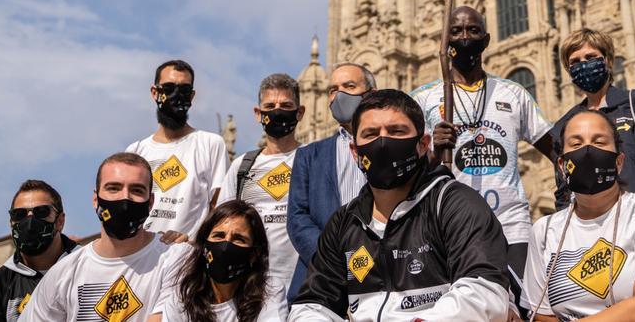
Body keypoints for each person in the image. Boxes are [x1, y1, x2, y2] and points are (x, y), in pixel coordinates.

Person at [289, 89, 512, 321]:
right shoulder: (344, 223)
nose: (383, 142)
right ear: (355, 152)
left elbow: (484, 292)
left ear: (423, 144)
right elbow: (312, 304)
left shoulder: (454, 203)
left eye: (396, 131)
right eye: (371, 133)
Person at [410, 5, 553, 292]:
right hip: (449, 229)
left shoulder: (513, 93)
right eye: (457, 31)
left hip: (511, 227)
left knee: (521, 306)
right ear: (445, 41)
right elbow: (407, 174)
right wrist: (435, 152)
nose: (465, 37)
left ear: (486, 40)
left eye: (473, 30)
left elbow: (557, 148)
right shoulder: (422, 100)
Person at [526, 110, 635, 321]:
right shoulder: (544, 231)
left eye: (599, 143)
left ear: (619, 162)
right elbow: (542, 315)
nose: (588, 151)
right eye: (576, 144)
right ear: (562, 166)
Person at [20, 152, 188, 321]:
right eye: (113, 188)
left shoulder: (176, 258)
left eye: (137, 190)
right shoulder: (62, 274)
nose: (124, 198)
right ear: (95, 199)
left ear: (150, 203)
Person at [551, 28, 635, 206]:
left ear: (608, 60)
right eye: (575, 62)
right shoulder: (564, 125)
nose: (583, 65)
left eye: (590, 57)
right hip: (587, 225)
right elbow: (564, 186)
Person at [214, 73, 303, 317]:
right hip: (248, 288)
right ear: (258, 113)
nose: (277, 112)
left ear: (300, 112)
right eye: (270, 107)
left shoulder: (313, 160)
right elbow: (222, 224)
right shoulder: (243, 166)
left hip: (302, 288)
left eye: (286, 106)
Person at [286, 62, 375, 306]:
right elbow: (297, 218)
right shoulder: (309, 155)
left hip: (384, 279)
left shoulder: (392, 147)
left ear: (371, 94)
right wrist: (333, 261)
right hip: (322, 284)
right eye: (333, 89)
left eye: (349, 86)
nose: (339, 95)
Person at [126, 59, 228, 242]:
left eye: (184, 90)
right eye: (168, 88)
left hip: (187, 258)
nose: (176, 95)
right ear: (154, 92)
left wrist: (193, 242)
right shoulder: (136, 151)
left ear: (192, 96)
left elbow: (220, 207)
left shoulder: (211, 144)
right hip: (141, 256)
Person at [148, 200, 279, 322]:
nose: (226, 246)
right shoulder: (183, 296)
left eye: (239, 239)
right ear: (204, 244)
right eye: (219, 236)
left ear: (254, 254)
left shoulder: (269, 292)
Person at [0, 179, 80, 322]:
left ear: (60, 221)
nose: (29, 221)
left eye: (41, 212)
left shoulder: (86, 267)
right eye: (19, 214)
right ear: (11, 223)